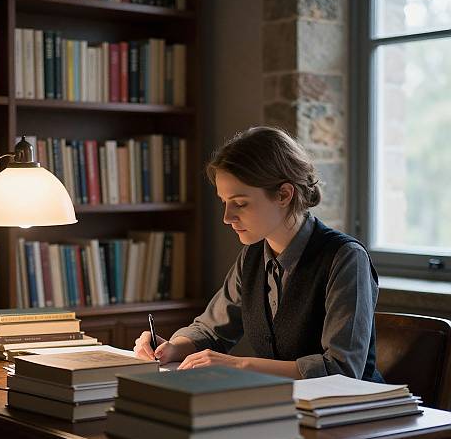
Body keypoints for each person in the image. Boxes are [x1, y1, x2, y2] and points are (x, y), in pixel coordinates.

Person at [134, 126, 383, 381]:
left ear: (284, 194)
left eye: (240, 203)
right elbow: (210, 331)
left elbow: (341, 369)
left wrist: (239, 365)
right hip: (285, 406)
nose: (227, 218)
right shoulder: (252, 256)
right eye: (224, 203)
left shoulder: (346, 259)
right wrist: (174, 347)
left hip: (353, 411)